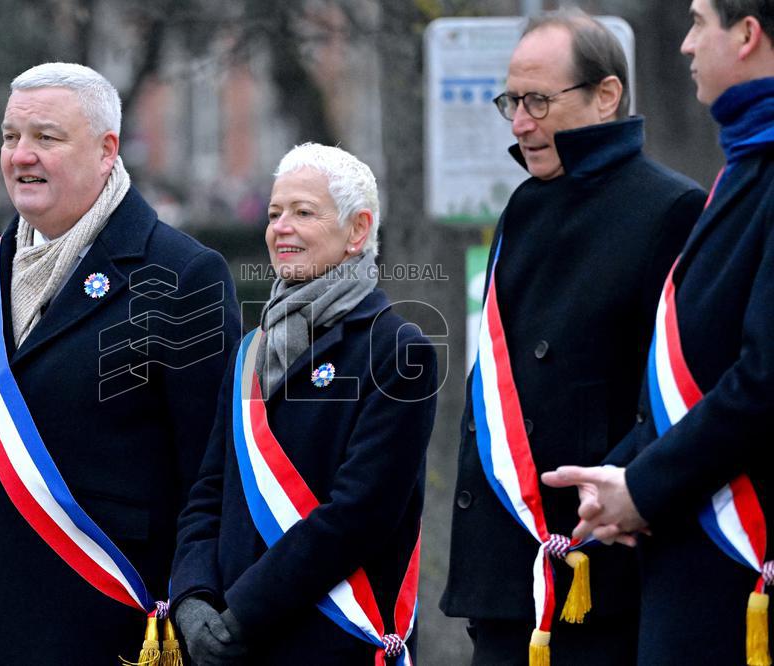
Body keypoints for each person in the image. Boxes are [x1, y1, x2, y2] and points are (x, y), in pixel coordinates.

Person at [0, 62, 241, 664]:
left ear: (106, 151)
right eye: (10, 137)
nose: (22, 156)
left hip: (108, 619)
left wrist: (198, 596)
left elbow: (210, 469)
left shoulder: (182, 276)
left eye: (46, 138)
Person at [439, 8, 707, 665]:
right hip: (502, 577)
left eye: (537, 101)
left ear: (606, 95)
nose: (519, 123)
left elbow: (675, 396)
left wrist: (615, 490)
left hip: (594, 572)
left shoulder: (670, 209)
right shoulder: (524, 204)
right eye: (511, 101)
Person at [543, 1, 774, 663]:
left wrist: (642, 488)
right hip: (697, 562)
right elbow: (693, 368)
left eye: (700, 22)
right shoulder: (745, 168)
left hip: (739, 568)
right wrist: (617, 473)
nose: (685, 45)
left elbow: (761, 380)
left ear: (748, 34)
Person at [168, 143, 439, 665]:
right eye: (274, 213)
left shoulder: (397, 350)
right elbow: (208, 491)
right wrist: (194, 598)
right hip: (227, 645)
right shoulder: (252, 349)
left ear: (357, 230)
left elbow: (359, 514)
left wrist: (241, 614)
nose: (280, 227)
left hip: (330, 639)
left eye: (303, 212)